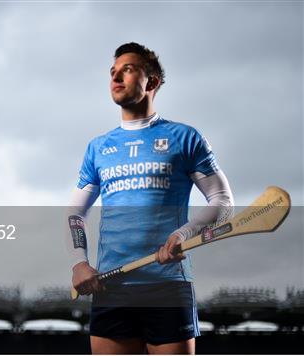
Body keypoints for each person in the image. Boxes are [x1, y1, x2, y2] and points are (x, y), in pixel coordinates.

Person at [66, 42, 234, 354]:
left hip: (168, 286)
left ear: (152, 81)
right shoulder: (98, 148)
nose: (117, 77)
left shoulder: (184, 138)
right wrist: (79, 263)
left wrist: (183, 234)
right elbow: (75, 213)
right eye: (113, 72)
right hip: (111, 286)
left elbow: (222, 200)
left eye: (127, 70)